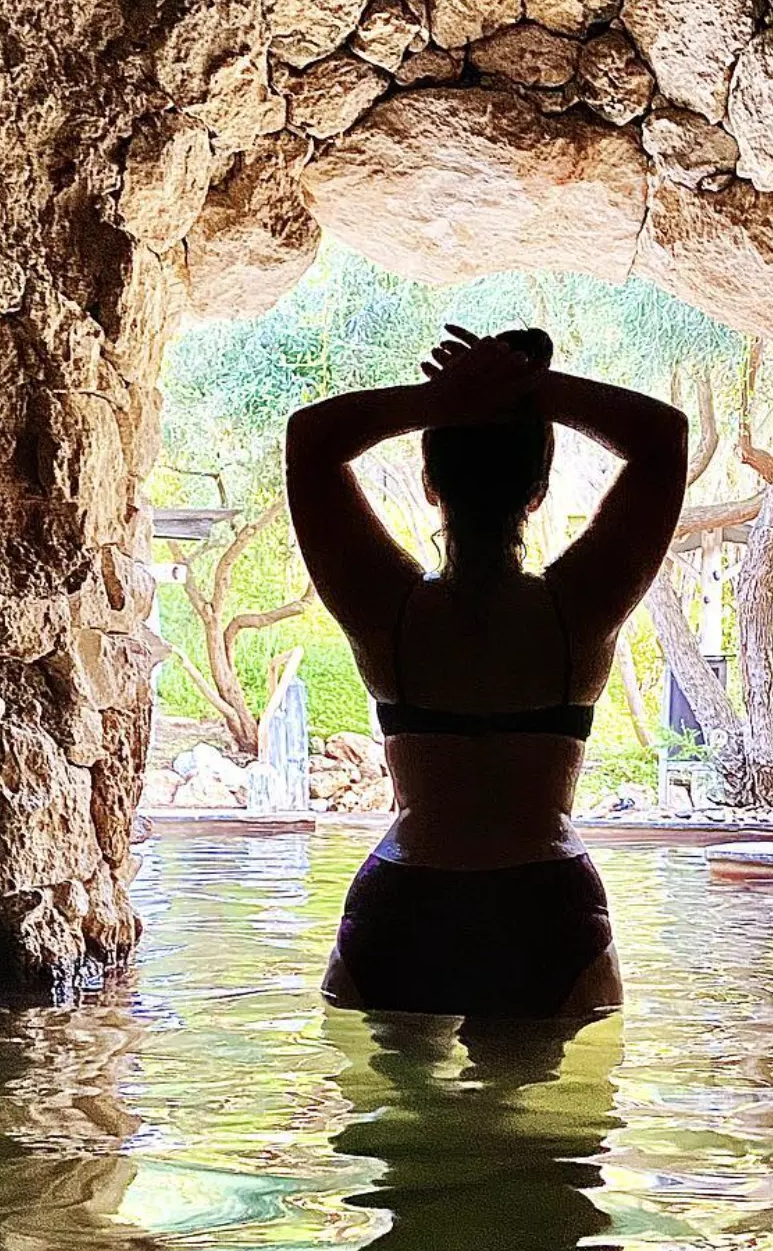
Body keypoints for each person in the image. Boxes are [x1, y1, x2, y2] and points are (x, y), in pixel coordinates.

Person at [285, 325, 688, 1018]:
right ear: (537, 492)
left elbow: (312, 441)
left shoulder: (388, 611)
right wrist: (530, 388)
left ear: (430, 485)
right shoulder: (579, 612)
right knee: (540, 1126)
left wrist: (440, 399)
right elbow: (662, 440)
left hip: (403, 904)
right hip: (546, 909)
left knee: (392, 1124)